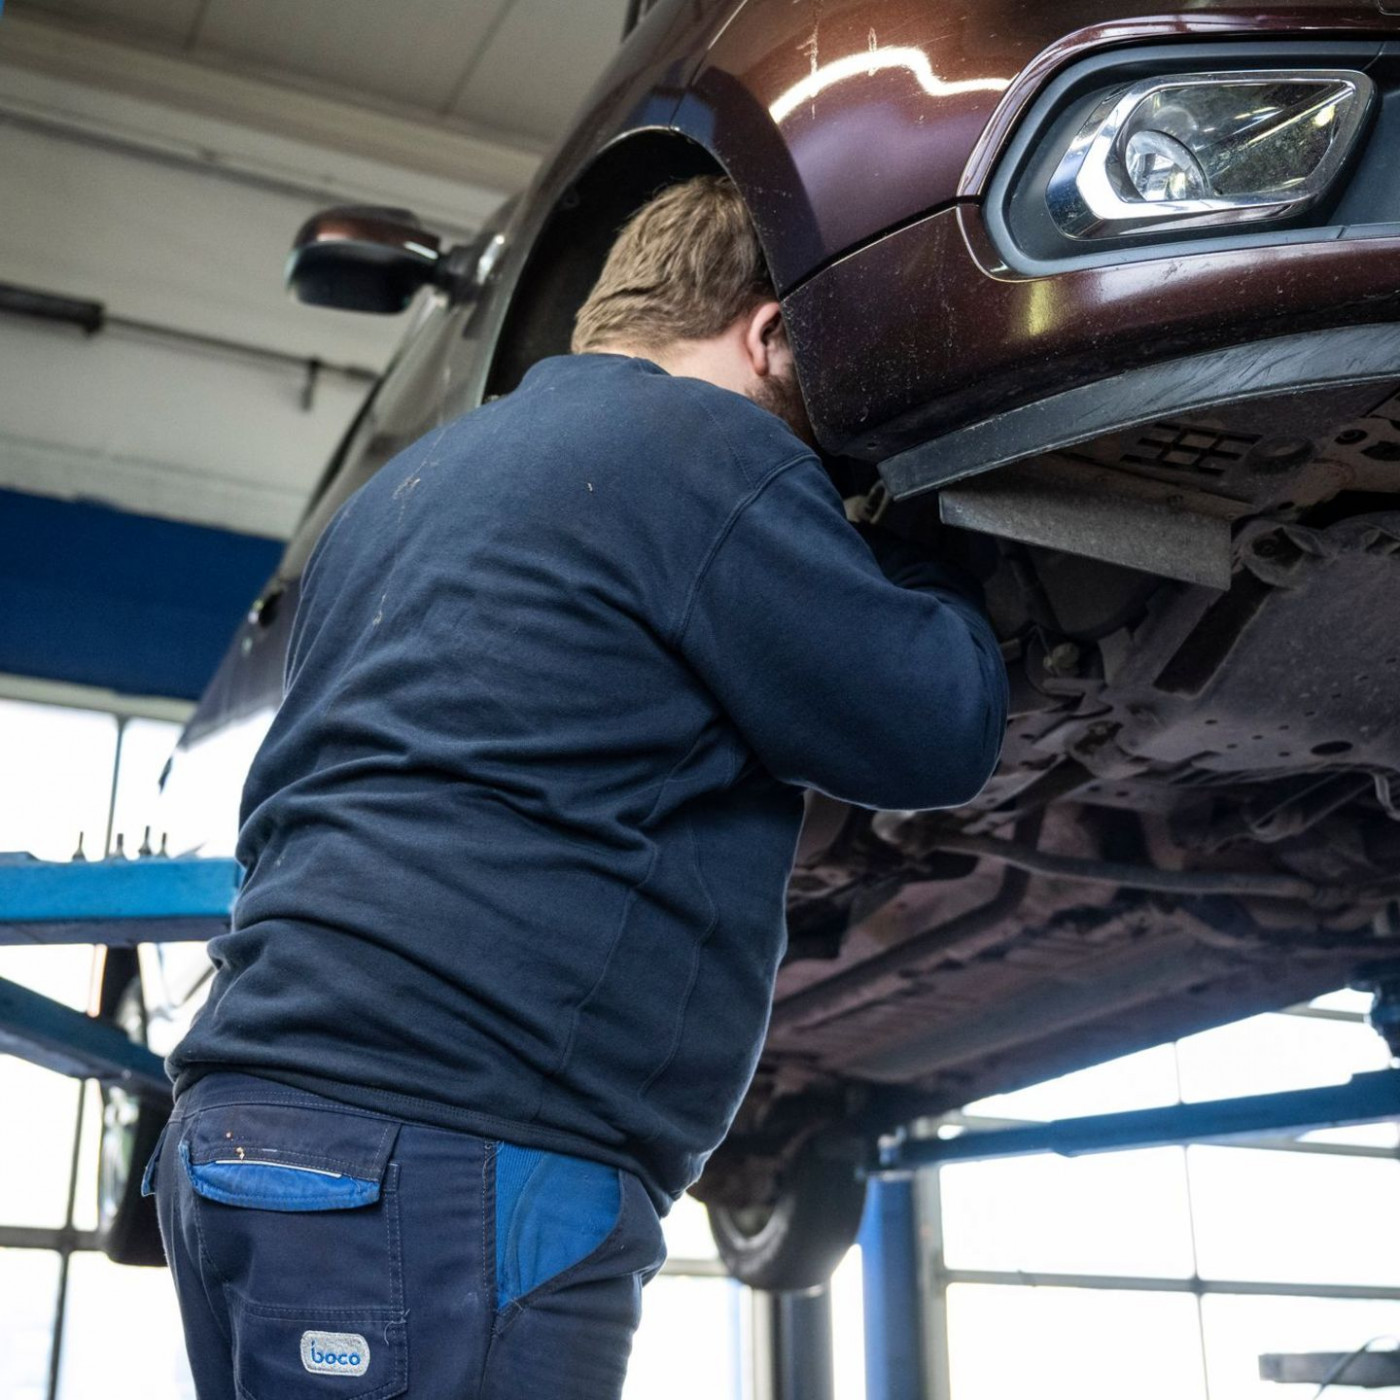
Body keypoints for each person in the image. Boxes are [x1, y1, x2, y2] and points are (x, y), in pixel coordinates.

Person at [146, 175, 1008, 1399]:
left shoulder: (396, 493)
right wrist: (917, 515)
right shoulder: (701, 444)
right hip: (444, 1153)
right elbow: (935, 727)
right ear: (768, 334)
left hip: (243, 1139)